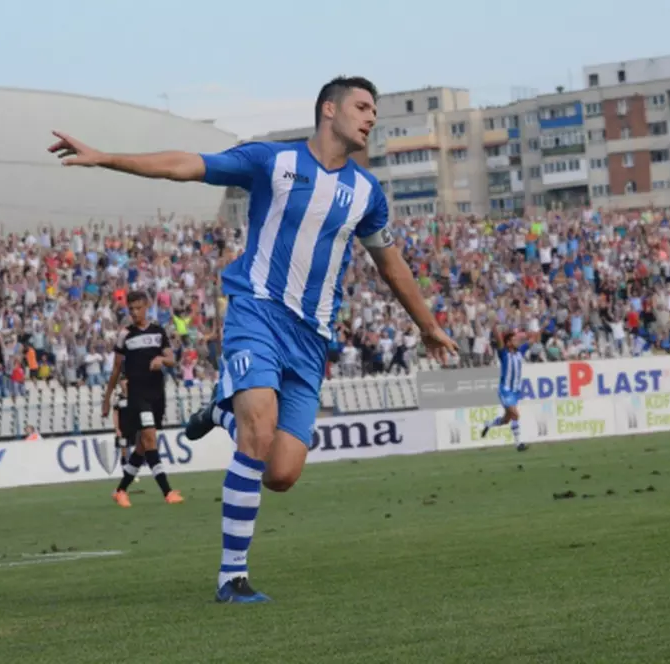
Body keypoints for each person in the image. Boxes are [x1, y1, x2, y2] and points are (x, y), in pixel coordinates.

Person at [50, 75, 457, 603]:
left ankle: (218, 413)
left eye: (374, 109)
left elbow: (390, 262)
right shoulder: (273, 161)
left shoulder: (367, 194)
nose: (371, 117)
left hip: (310, 338)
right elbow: (186, 165)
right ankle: (232, 578)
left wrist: (427, 326)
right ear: (328, 110)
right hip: (257, 311)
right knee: (258, 429)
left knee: (282, 473)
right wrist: (106, 157)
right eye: (362, 106)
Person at [104, 291, 181, 507]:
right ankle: (167, 491)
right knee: (149, 438)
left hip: (157, 393)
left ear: (146, 306)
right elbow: (116, 368)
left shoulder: (158, 331)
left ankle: (120, 490)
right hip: (137, 395)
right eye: (131, 309)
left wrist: (162, 360)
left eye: (138, 308)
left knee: (141, 446)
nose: (135, 313)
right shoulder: (124, 335)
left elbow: (172, 359)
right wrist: (106, 398)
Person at [480, 329, 527, 451]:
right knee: (515, 414)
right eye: (514, 340)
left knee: (506, 420)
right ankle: (518, 444)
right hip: (505, 390)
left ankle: (489, 424)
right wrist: (494, 326)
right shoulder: (504, 354)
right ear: (508, 343)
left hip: (515, 391)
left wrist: (542, 326)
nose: (517, 342)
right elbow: (500, 340)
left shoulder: (519, 352)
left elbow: (533, 340)